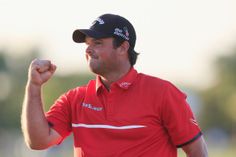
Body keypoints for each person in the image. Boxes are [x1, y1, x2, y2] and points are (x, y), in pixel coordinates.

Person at [21, 13, 208, 157]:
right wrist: (34, 87)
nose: (88, 49)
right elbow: (38, 141)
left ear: (123, 48)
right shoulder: (75, 99)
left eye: (98, 42)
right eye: (87, 43)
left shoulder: (163, 93)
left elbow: (197, 151)